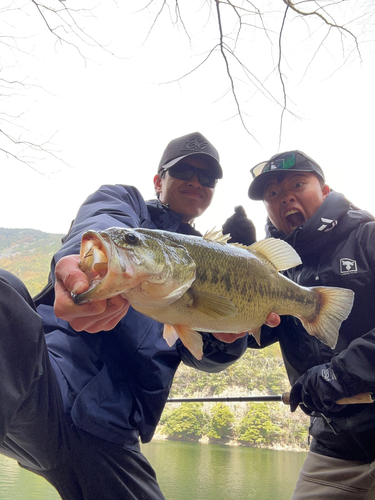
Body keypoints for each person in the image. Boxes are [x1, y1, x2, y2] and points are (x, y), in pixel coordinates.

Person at [0, 132, 257, 500]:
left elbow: (202, 353)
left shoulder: (211, 261)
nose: (196, 182)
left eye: (207, 178)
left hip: (113, 432)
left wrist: (231, 332)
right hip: (46, 386)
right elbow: (103, 223)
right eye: (184, 170)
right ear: (158, 181)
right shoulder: (125, 203)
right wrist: (85, 268)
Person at [242, 150, 375, 499]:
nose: (285, 196)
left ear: (326, 190)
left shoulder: (369, 237)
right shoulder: (276, 275)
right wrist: (232, 274)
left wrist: (338, 375)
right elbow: (238, 340)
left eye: (298, 184)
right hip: (336, 444)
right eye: (272, 193)